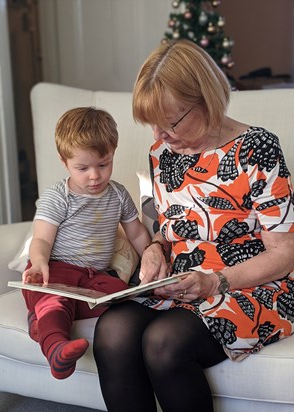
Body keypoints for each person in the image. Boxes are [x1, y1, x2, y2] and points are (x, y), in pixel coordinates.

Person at [93, 40, 294, 412]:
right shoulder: (162, 154)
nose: (157, 137)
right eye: (151, 125)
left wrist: (216, 281)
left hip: (253, 285)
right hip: (184, 284)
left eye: (168, 123)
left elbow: (284, 253)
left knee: (164, 342)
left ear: (205, 100)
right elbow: (168, 230)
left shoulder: (257, 148)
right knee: (112, 330)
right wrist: (155, 249)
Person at [21, 107, 151, 380]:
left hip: (95, 277)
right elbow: (42, 238)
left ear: (113, 153)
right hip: (56, 269)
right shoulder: (58, 196)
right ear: (64, 162)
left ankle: (41, 320)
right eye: (82, 168)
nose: (94, 176)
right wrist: (40, 260)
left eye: (103, 164)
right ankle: (56, 346)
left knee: (122, 296)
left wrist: (150, 256)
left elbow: (136, 232)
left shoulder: (117, 194)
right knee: (52, 295)